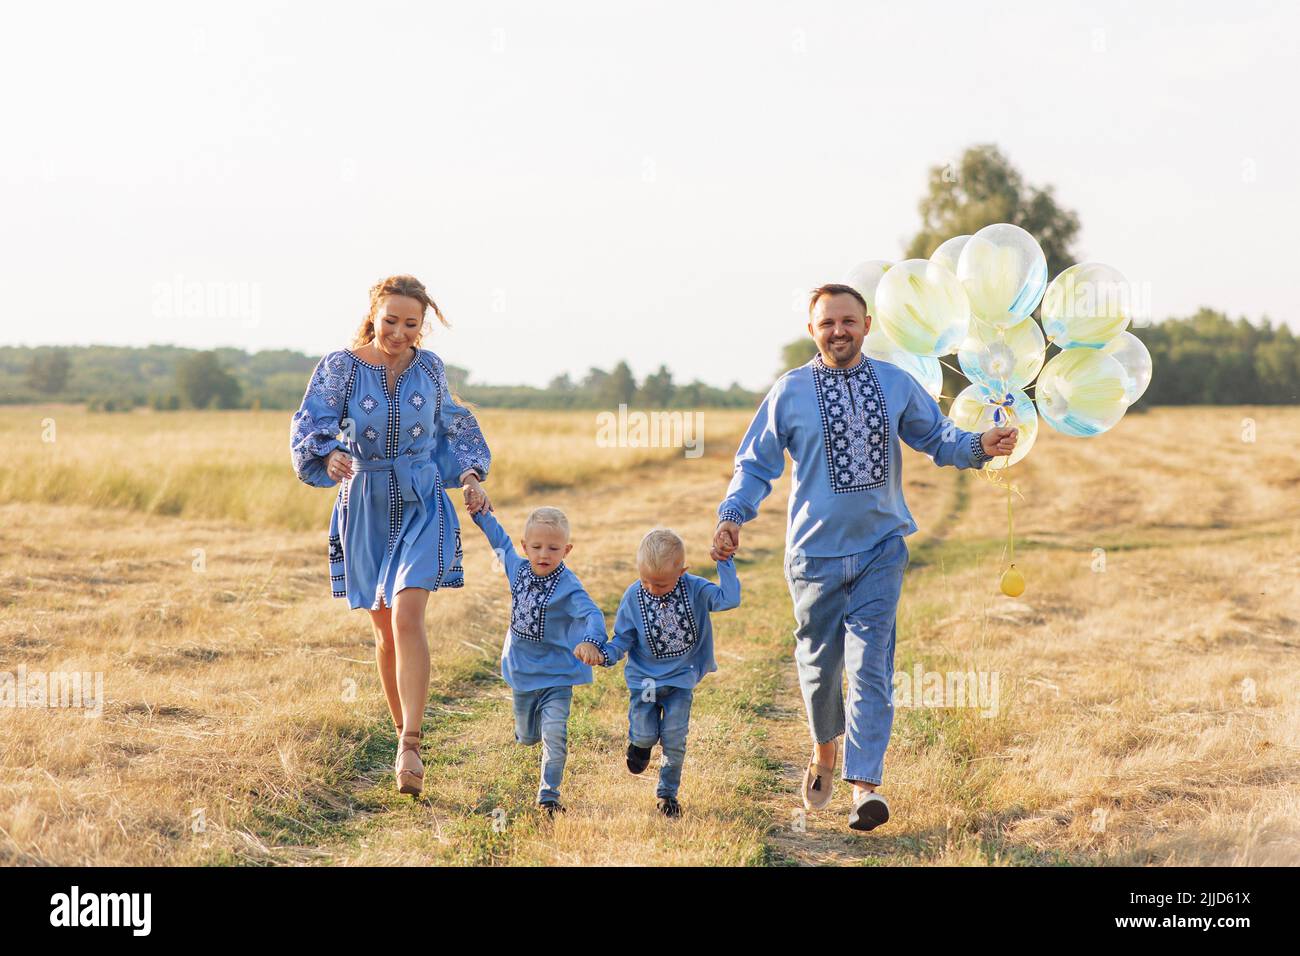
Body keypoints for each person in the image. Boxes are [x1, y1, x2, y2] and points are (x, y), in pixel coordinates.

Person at [712, 283, 1017, 831]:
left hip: (881, 550)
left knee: (870, 666)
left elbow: (939, 437)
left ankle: (864, 789)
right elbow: (755, 463)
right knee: (819, 670)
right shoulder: (790, 392)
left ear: (868, 324)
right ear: (812, 330)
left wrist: (979, 446)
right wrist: (733, 515)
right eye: (828, 323)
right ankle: (825, 749)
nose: (839, 331)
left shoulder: (895, 384)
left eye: (848, 321)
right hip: (813, 558)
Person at [289, 274, 492, 798]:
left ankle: (411, 743)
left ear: (422, 326)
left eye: (411, 324)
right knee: (384, 633)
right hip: (366, 504)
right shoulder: (340, 367)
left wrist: (469, 476)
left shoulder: (430, 368)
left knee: (407, 614)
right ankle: (405, 737)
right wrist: (328, 453)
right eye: (391, 321)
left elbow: (454, 425)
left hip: (423, 499)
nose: (400, 333)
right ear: (373, 314)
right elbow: (311, 422)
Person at [577, 528, 740, 817]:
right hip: (647, 681)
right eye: (646, 581)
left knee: (675, 739)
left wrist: (724, 562)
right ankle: (640, 744)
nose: (652, 589)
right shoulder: (633, 596)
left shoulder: (696, 590)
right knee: (645, 733)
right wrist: (605, 655)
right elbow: (623, 638)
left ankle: (667, 795)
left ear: (682, 571)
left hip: (680, 680)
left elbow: (729, 599)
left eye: (662, 584)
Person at [470, 505, 606, 815]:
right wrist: (480, 514)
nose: (544, 553)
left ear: (566, 549)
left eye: (554, 548)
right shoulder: (517, 569)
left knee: (554, 734)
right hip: (522, 672)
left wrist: (591, 640)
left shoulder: (569, 586)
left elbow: (592, 614)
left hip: (557, 675)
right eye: (537, 547)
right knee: (528, 736)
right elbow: (498, 540)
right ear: (525, 547)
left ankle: (549, 796)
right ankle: (526, 732)